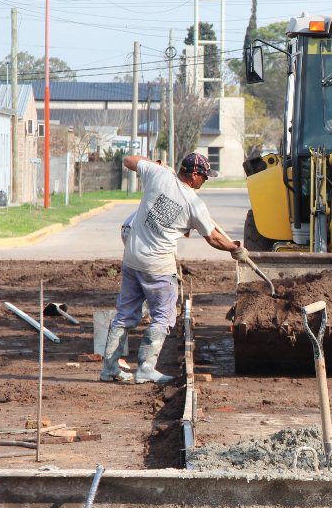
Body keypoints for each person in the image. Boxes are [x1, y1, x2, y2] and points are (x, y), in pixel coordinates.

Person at [100, 153, 245, 384]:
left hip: (132, 257)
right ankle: (146, 368)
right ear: (194, 175)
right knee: (164, 316)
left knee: (125, 313)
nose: (204, 182)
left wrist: (152, 163)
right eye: (204, 178)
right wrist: (233, 248)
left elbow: (128, 160)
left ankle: (109, 368)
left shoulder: (158, 174)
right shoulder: (193, 203)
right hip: (158, 266)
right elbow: (213, 238)